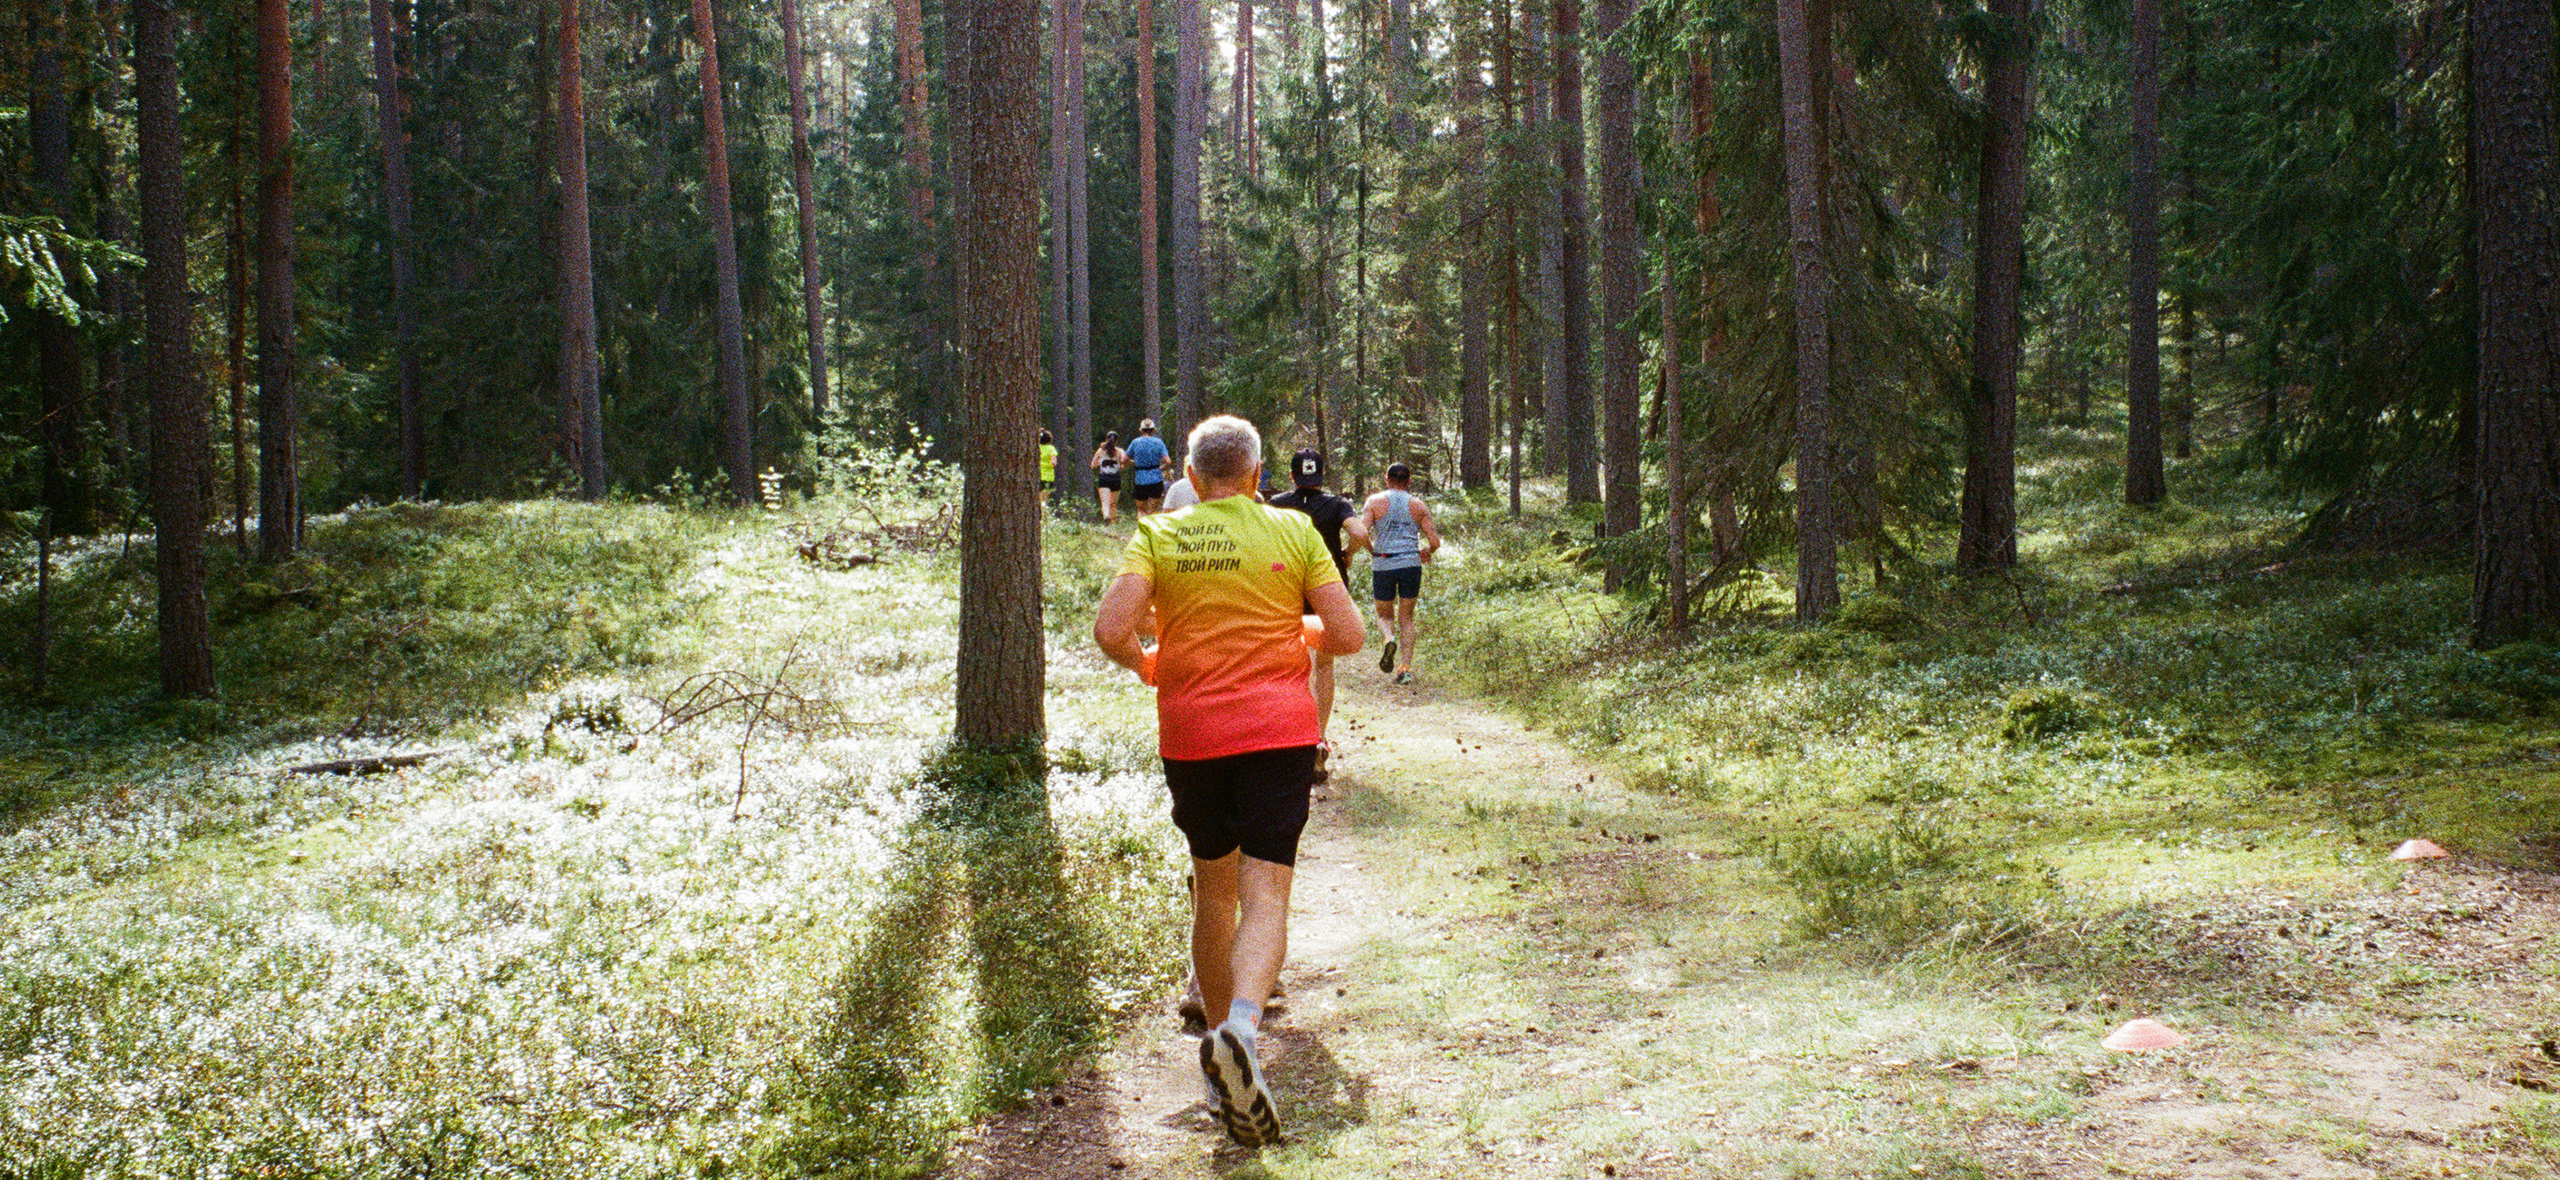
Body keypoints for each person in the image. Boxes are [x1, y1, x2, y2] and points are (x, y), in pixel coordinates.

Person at [1093, 415, 1366, 1149]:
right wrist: (1295, 632)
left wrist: (1151, 663)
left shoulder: (1159, 535)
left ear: (1190, 473)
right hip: (1278, 732)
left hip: (1193, 736)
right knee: (1266, 890)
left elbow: (1111, 629)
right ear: (1254, 474)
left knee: (1213, 889)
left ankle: (1220, 1055)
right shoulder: (1293, 532)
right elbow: (1347, 637)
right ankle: (1244, 1024)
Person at [1265, 448, 1358, 780]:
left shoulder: (1276, 503)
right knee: (1325, 663)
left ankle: (1290, 738)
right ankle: (1318, 738)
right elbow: (1359, 532)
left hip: (1286, 586)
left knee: (1289, 661)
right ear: (1321, 476)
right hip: (1327, 589)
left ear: (1292, 476)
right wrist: (1347, 553)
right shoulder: (1336, 504)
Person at [1350, 462, 1442, 685]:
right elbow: (1435, 542)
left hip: (1384, 563)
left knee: (1384, 616)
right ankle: (1405, 669)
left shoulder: (1374, 502)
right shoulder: (1418, 505)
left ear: (1386, 479)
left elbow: (1361, 534)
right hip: (1411, 563)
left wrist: (1373, 550)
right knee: (1407, 618)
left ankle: (1389, 639)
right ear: (1409, 482)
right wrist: (1427, 552)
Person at [1126, 419, 1173, 514]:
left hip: (1140, 480)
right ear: (1153, 430)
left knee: (1141, 510)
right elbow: (1168, 461)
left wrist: (1134, 463)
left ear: (1141, 430)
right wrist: (1160, 468)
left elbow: (1124, 459)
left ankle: (1142, 527)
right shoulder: (1158, 442)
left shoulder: (1135, 442)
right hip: (1156, 480)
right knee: (1153, 510)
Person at [1090, 431, 1127, 522]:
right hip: (1115, 479)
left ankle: (1106, 516)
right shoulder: (1119, 451)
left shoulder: (1100, 451)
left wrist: (1100, 463)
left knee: (1105, 503)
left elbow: (1092, 465)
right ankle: (1112, 523)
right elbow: (1124, 460)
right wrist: (1122, 466)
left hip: (1104, 478)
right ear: (1117, 441)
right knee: (1113, 503)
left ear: (1106, 439)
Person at [1036, 429, 1058, 512]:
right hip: (1048, 477)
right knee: (1043, 500)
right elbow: (1053, 462)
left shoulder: (1036, 448)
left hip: (1036, 476)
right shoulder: (1051, 449)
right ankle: (1044, 517)